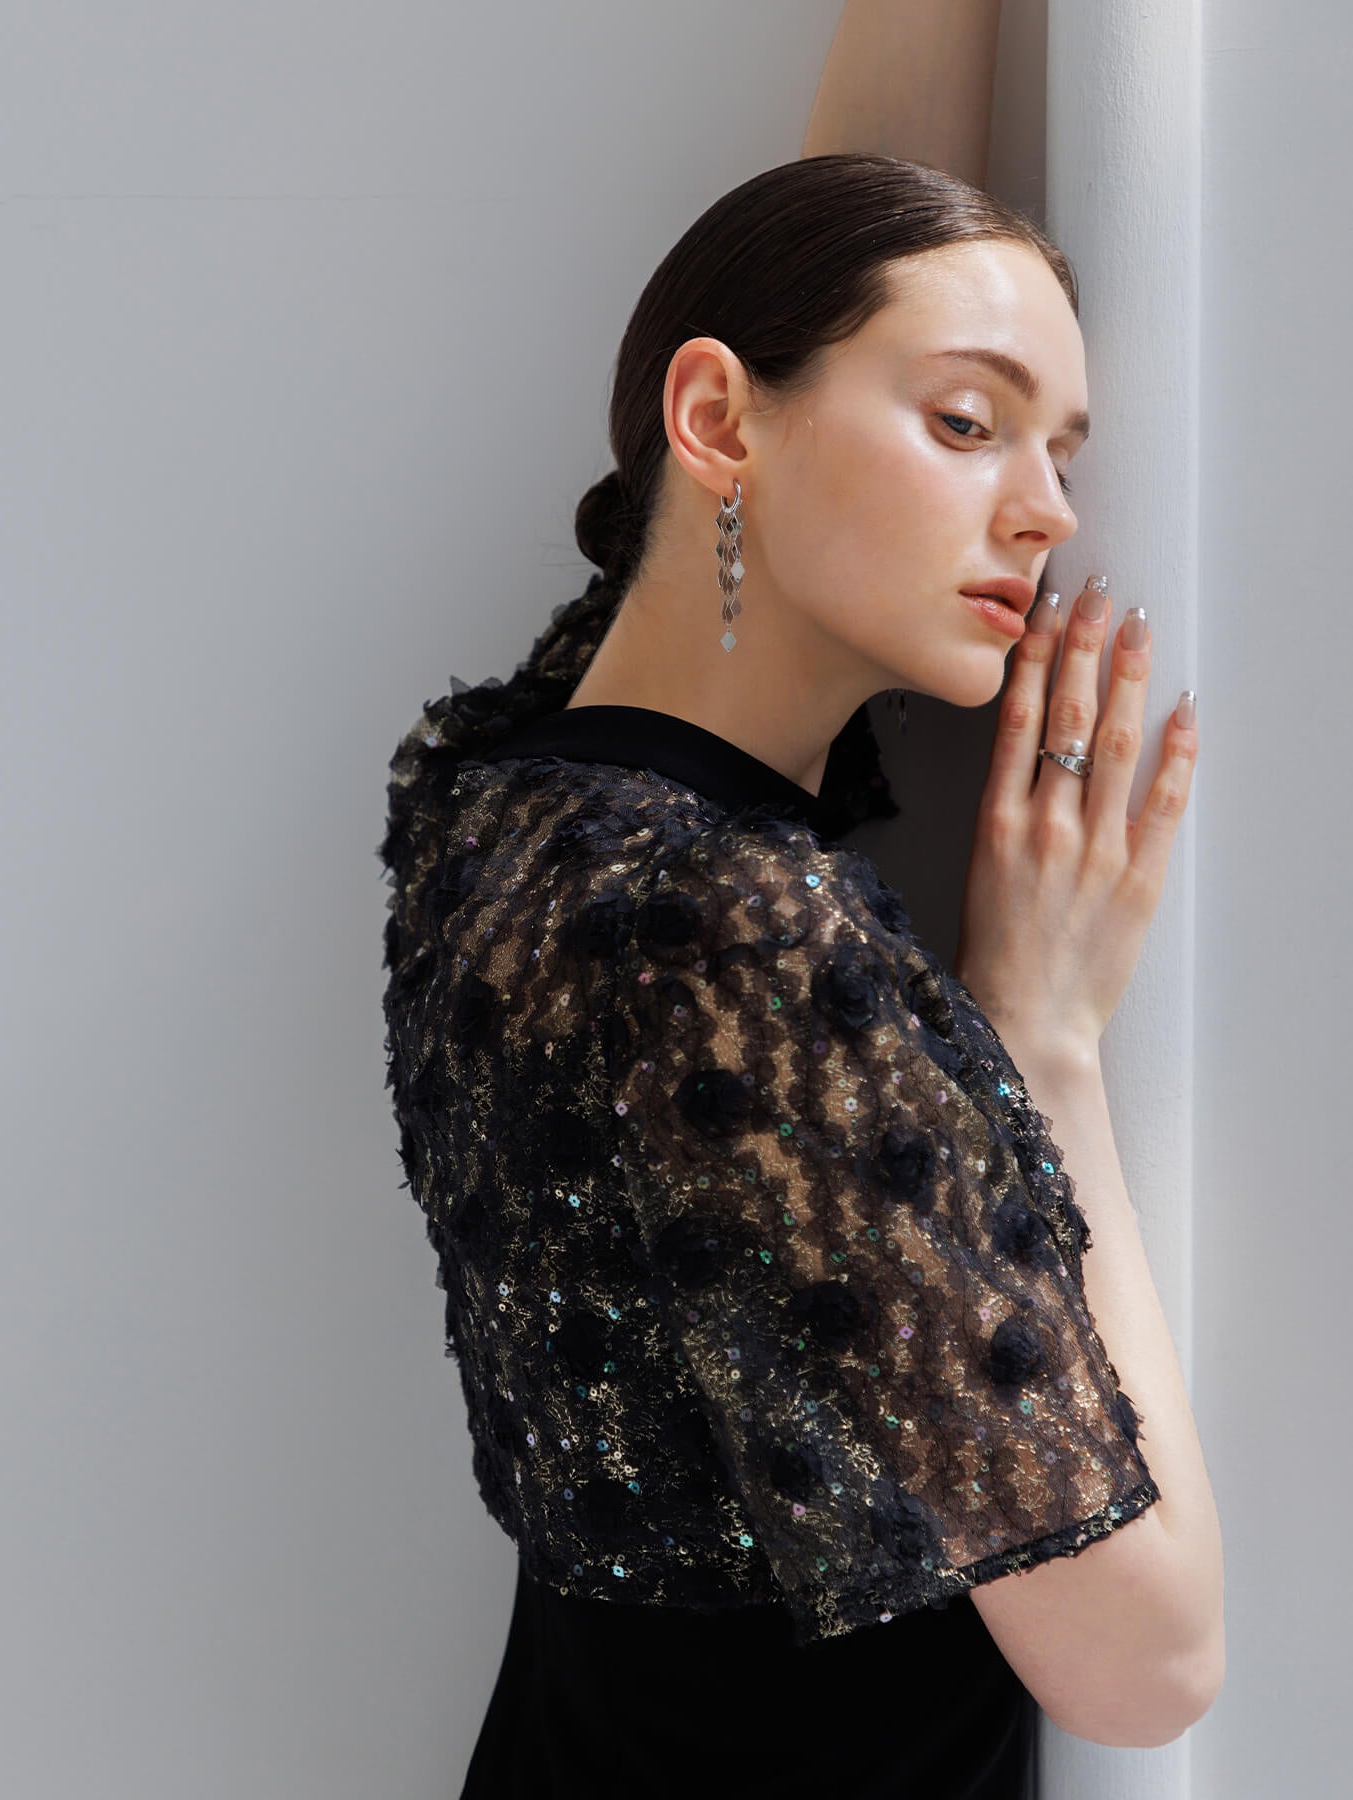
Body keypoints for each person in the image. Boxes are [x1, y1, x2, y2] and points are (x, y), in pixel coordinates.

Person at [379, 23, 1224, 1800]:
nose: (1049, 512)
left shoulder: (511, 798)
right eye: (971, 425)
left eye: (1063, 449)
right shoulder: (743, 934)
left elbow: (838, 253)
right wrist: (1049, 1041)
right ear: (714, 419)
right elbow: (1148, 1664)